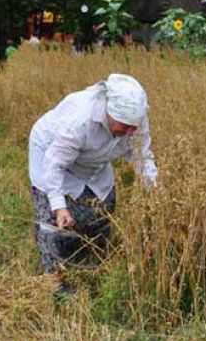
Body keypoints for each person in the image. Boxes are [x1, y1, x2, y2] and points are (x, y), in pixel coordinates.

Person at [28, 74, 158, 294]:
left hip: (92, 159)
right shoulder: (80, 121)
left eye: (133, 127)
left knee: (105, 204)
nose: (129, 133)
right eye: (124, 126)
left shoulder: (134, 121)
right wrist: (59, 206)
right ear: (109, 113)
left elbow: (142, 157)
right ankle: (53, 279)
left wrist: (155, 192)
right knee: (51, 218)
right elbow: (54, 164)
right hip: (51, 154)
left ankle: (87, 251)